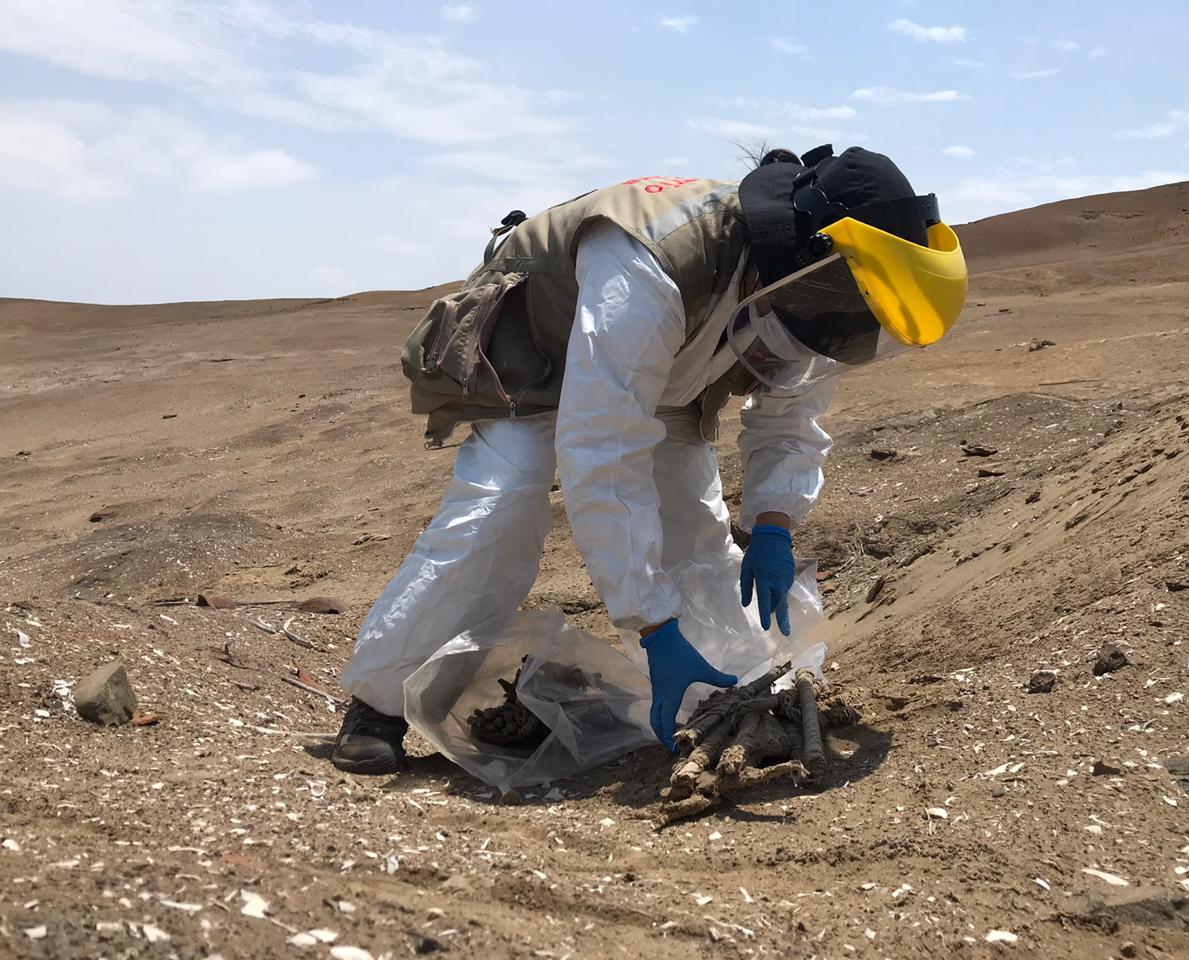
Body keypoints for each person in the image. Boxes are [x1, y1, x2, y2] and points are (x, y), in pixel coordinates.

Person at [332, 144, 967, 773]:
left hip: (665, 371)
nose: (850, 322)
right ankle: (378, 705)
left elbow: (791, 420)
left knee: (691, 521)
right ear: (805, 252)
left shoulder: (821, 297)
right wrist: (653, 625)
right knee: (504, 506)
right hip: (536, 358)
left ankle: (723, 694)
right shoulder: (650, 260)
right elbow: (603, 452)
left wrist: (774, 523)